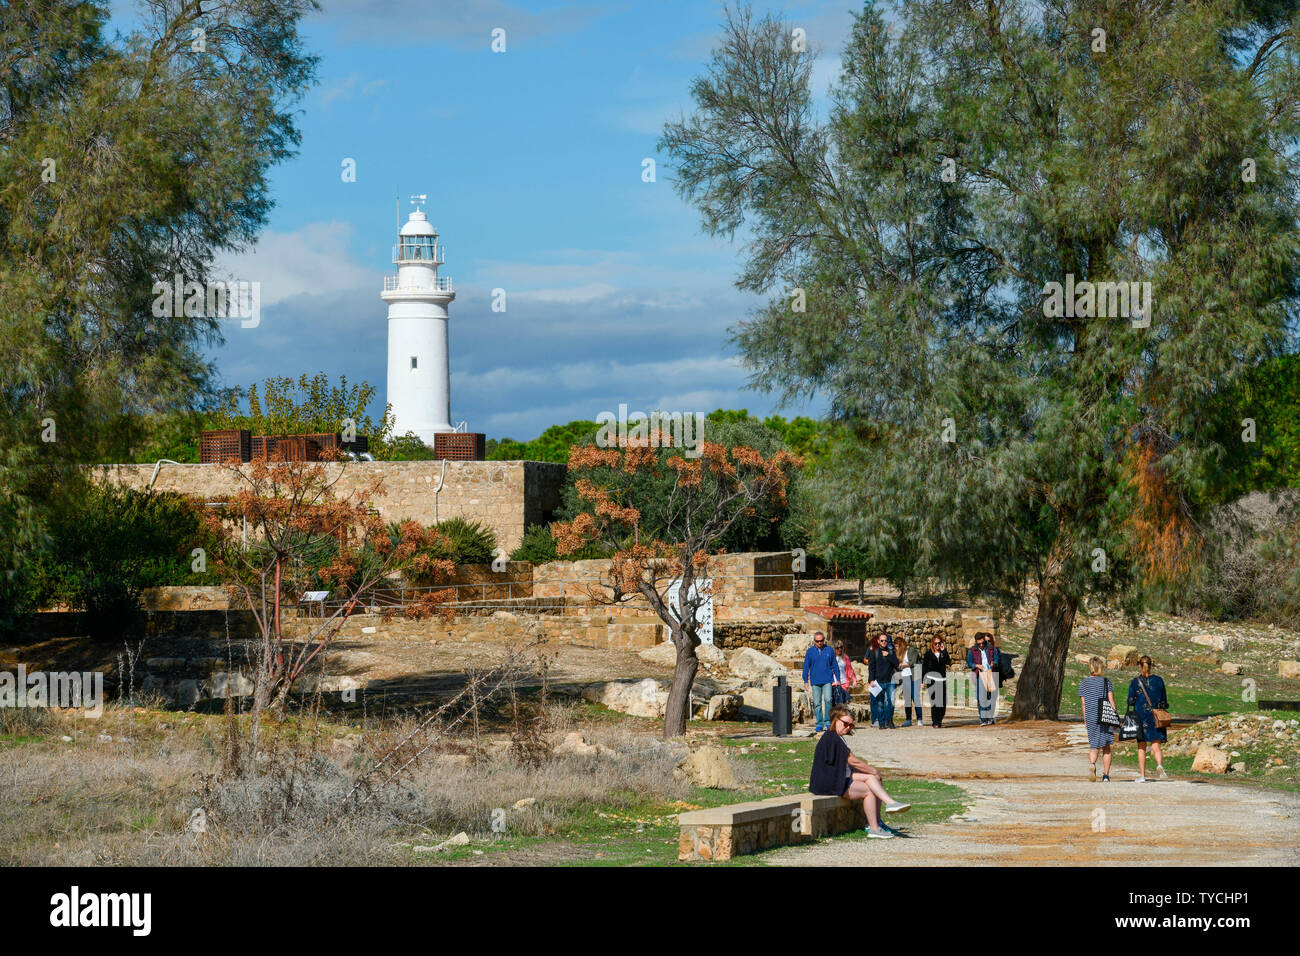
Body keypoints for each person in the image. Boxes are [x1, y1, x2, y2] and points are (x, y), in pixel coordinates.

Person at [809, 705, 911, 839]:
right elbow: (852, 761)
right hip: (827, 783)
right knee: (869, 790)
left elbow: (845, 764)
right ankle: (874, 828)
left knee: (873, 779)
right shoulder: (832, 737)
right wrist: (873, 770)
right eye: (845, 724)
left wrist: (872, 774)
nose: (848, 727)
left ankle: (888, 806)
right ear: (835, 720)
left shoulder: (835, 737)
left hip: (835, 776)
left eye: (851, 725)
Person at [1128, 656, 1169, 782]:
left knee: (1141, 747)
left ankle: (1142, 775)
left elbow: (1130, 700)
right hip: (1156, 717)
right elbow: (1164, 701)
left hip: (1141, 716)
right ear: (1151, 665)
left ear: (1139, 666)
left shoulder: (1135, 682)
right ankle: (1160, 766)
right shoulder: (1159, 680)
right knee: (1156, 745)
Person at [1080, 657, 1118, 782]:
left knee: (1093, 745)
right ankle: (1106, 775)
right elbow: (1111, 701)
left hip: (1090, 716)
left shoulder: (1084, 683)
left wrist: (1085, 719)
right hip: (1104, 716)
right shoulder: (1106, 682)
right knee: (1106, 746)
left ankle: (1092, 764)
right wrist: (1115, 717)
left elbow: (1084, 704)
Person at [802, 631, 841, 732]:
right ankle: (819, 723)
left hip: (827, 680)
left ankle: (828, 722)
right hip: (815, 681)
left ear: (824, 640)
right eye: (817, 641)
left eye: (821, 640)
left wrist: (838, 679)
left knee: (828, 700)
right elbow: (806, 667)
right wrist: (805, 681)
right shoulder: (810, 652)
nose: (819, 642)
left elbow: (835, 665)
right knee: (817, 703)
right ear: (814, 641)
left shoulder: (829, 650)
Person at [966, 632, 1000, 725]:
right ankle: (983, 719)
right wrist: (977, 665)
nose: (981, 645)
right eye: (979, 643)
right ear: (976, 642)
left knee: (990, 697)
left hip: (990, 673)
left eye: (982, 643)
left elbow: (997, 659)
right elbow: (969, 663)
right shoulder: (972, 650)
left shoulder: (991, 648)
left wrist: (994, 663)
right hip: (979, 674)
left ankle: (990, 718)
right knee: (981, 698)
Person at [867, 632, 899, 729]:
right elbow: (871, 668)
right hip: (879, 681)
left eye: (886, 640)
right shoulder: (874, 653)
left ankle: (889, 720)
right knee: (880, 703)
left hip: (890, 681)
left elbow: (897, 664)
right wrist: (871, 680)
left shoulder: (891, 652)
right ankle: (881, 722)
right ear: (878, 641)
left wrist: (888, 655)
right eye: (882, 640)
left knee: (891, 701)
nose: (884, 642)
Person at [922, 635, 952, 728]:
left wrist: (944, 651)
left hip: (942, 680)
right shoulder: (928, 654)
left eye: (939, 643)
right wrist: (923, 681)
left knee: (942, 703)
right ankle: (936, 722)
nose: (938, 645)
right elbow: (924, 668)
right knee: (935, 702)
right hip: (932, 680)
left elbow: (949, 662)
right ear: (932, 644)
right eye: (936, 643)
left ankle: (940, 718)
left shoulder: (943, 653)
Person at [895, 636, 922, 726]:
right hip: (905, 676)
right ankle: (908, 719)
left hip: (914, 675)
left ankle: (919, 718)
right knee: (907, 699)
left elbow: (913, 662)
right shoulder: (900, 653)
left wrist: (902, 665)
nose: (896, 648)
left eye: (897, 646)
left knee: (916, 698)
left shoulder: (911, 650)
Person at [832, 640, 858, 707]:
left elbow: (850, 669)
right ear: (834, 648)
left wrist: (854, 680)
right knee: (835, 702)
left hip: (844, 682)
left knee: (843, 702)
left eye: (841, 647)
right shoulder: (831, 657)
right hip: (834, 683)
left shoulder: (845, 657)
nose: (839, 649)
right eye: (837, 648)